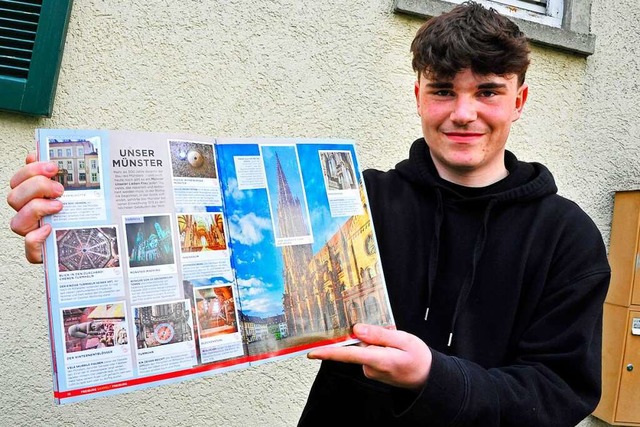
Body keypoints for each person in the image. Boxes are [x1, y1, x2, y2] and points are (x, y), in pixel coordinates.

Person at [6, 2, 610, 426]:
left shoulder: (567, 238)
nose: (463, 112)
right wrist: (72, 232)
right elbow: (240, 278)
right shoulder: (352, 201)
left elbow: (560, 393)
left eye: (488, 91)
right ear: (418, 95)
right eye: (444, 89)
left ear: (520, 100)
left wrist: (437, 376)